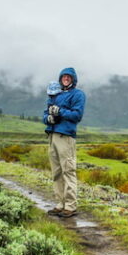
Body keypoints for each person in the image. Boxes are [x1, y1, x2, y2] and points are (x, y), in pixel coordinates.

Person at [43, 67, 86, 217]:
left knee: (68, 170)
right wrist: (47, 118)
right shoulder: (55, 94)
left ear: (73, 79)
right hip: (52, 136)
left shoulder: (78, 94)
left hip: (65, 137)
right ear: (60, 78)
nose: (66, 79)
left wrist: (59, 112)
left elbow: (77, 115)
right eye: (64, 77)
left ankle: (70, 206)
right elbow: (45, 113)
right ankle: (60, 204)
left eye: (69, 77)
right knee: (56, 172)